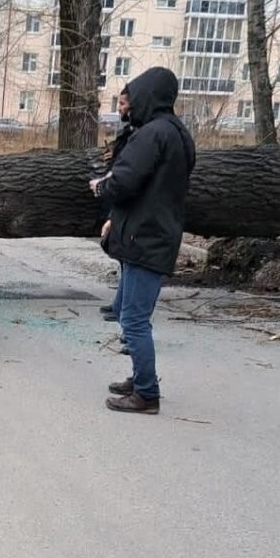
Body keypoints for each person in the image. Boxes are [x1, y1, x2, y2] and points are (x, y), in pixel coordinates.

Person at [91, 66, 196, 415]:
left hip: (144, 238)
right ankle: (139, 379)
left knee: (133, 320)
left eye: (130, 100)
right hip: (157, 233)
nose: (126, 107)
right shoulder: (178, 134)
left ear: (147, 96)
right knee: (133, 314)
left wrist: (102, 187)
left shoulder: (151, 135)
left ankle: (146, 394)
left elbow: (124, 182)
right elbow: (152, 189)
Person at [98, 95, 134, 325]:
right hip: (118, 197)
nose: (119, 108)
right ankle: (119, 304)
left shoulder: (140, 133)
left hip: (127, 202)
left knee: (126, 259)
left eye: (122, 104)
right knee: (122, 259)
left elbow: (131, 166)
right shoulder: (129, 131)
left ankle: (123, 308)